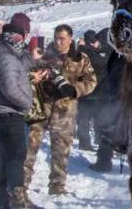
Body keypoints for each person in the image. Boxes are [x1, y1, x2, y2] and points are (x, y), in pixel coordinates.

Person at [23, 24, 97, 197]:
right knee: (30, 147)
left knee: (60, 151)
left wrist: (74, 89)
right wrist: (36, 80)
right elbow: (26, 75)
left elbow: (91, 81)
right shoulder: (43, 55)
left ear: (70, 39)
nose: (58, 42)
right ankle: (22, 183)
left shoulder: (80, 58)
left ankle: (57, 187)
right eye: (56, 37)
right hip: (41, 108)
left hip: (65, 111)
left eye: (62, 38)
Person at [0, 13, 39, 209]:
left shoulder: (0, 52)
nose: (23, 42)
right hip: (6, 114)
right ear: (15, 37)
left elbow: (19, 67)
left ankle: (0, 200)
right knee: (15, 156)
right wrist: (27, 103)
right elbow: (11, 89)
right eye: (22, 37)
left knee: (5, 157)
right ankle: (18, 200)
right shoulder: (6, 58)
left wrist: (35, 62)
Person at [75, 29, 109, 152]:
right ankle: (88, 143)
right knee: (92, 118)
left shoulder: (83, 51)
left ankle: (88, 142)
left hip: (90, 91)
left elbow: (99, 61)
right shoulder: (97, 53)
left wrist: (85, 48)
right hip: (95, 91)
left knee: (86, 118)